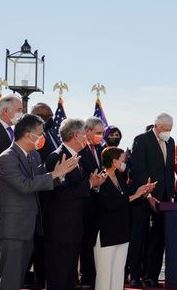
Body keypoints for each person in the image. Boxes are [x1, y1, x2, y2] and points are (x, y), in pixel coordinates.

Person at [0, 114, 78, 290]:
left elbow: (41, 180)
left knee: (18, 278)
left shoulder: (34, 156)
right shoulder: (6, 158)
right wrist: (55, 174)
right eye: (40, 133)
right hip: (13, 230)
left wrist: (60, 175)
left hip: (31, 228)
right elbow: (25, 185)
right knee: (10, 278)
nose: (43, 137)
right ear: (28, 135)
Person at [45, 118, 106, 290]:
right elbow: (61, 193)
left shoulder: (76, 157)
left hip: (74, 226)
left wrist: (94, 184)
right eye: (83, 134)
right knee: (59, 275)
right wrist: (89, 184)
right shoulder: (57, 156)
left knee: (69, 275)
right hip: (61, 228)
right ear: (74, 135)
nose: (86, 137)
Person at [94, 147, 156, 290]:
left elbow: (128, 198)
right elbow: (109, 204)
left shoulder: (120, 178)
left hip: (122, 231)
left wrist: (141, 191)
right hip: (106, 233)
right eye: (122, 159)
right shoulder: (100, 179)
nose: (124, 162)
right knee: (105, 273)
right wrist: (133, 196)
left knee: (118, 272)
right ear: (114, 161)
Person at [128, 113, 175, 287]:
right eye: (165, 129)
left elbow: (169, 170)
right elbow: (138, 169)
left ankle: (152, 275)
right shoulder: (141, 140)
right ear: (157, 126)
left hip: (163, 198)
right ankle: (135, 274)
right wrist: (147, 194)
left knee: (158, 237)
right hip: (143, 196)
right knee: (139, 236)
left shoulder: (171, 142)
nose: (167, 132)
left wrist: (170, 194)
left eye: (170, 129)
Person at [27, 102, 61, 287]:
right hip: (38, 196)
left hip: (51, 197)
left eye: (49, 116)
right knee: (37, 242)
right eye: (43, 115)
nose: (48, 119)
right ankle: (37, 279)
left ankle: (43, 278)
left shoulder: (52, 134)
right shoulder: (35, 137)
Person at [78, 116, 105, 287]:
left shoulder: (99, 149)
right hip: (82, 204)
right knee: (84, 242)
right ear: (87, 131)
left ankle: (90, 276)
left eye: (102, 133)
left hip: (96, 204)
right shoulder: (79, 150)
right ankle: (85, 278)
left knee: (91, 242)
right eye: (98, 133)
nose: (101, 136)